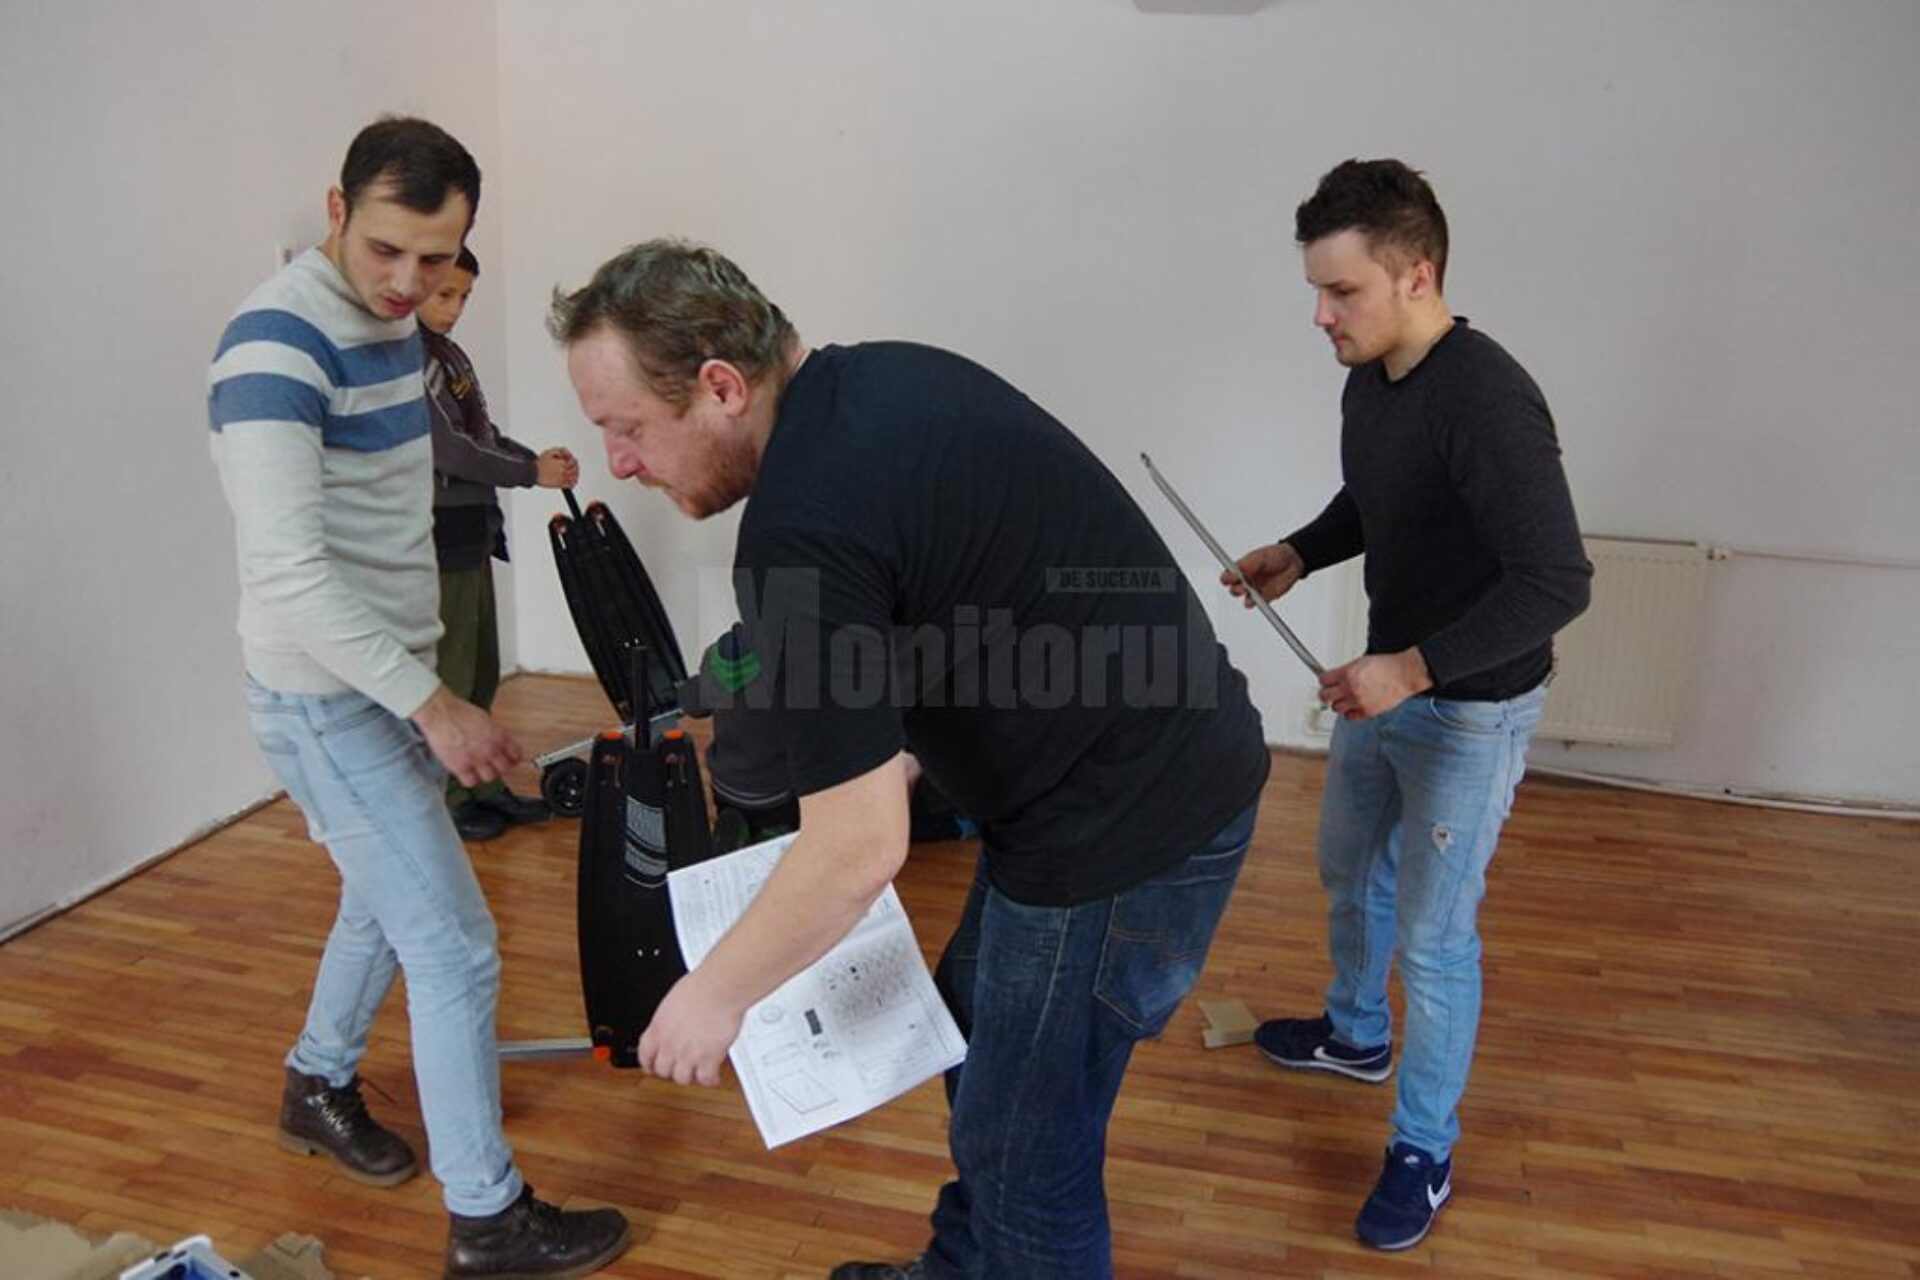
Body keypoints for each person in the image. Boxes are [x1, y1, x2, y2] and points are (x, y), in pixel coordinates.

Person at [550, 240, 1271, 1280]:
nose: (619, 463)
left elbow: (857, 851)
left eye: (627, 428)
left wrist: (712, 998)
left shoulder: (799, 529)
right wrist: (890, 760)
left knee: (1027, 1163)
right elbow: (970, 603)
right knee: (976, 1026)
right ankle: (961, 1263)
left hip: (1120, 829)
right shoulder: (879, 382)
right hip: (1147, 768)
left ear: (720, 386)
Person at [207, 116, 629, 1278]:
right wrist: (438, 705)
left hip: (385, 681)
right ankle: (487, 1220)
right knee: (455, 946)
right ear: (335, 209)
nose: (409, 281)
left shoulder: (392, 327)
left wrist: (425, 686)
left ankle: (316, 1081)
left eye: (437, 258)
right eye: (387, 249)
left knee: (381, 903)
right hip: (324, 697)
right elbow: (290, 573)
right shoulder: (275, 346)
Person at [1226, 158, 1591, 1252]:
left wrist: (1412, 671)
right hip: (1394, 687)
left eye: (1342, 291)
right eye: (1317, 290)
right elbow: (1378, 493)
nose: (1321, 315)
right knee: (1348, 868)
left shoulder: (1488, 398)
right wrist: (1302, 549)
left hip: (1471, 710)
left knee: (1434, 941)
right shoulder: (1374, 377)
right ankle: (1355, 1034)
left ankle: (1424, 1148)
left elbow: (1557, 581)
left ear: (1417, 274)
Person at [418, 245, 579, 840]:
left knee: (482, 668)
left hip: (471, 532)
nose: (455, 308)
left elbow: (480, 436)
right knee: (454, 673)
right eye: (445, 294)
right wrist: (529, 472)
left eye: (464, 297)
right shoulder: (404, 358)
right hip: (437, 540)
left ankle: (483, 786)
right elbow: (449, 451)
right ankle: (451, 797)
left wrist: (531, 460)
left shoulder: (447, 353)